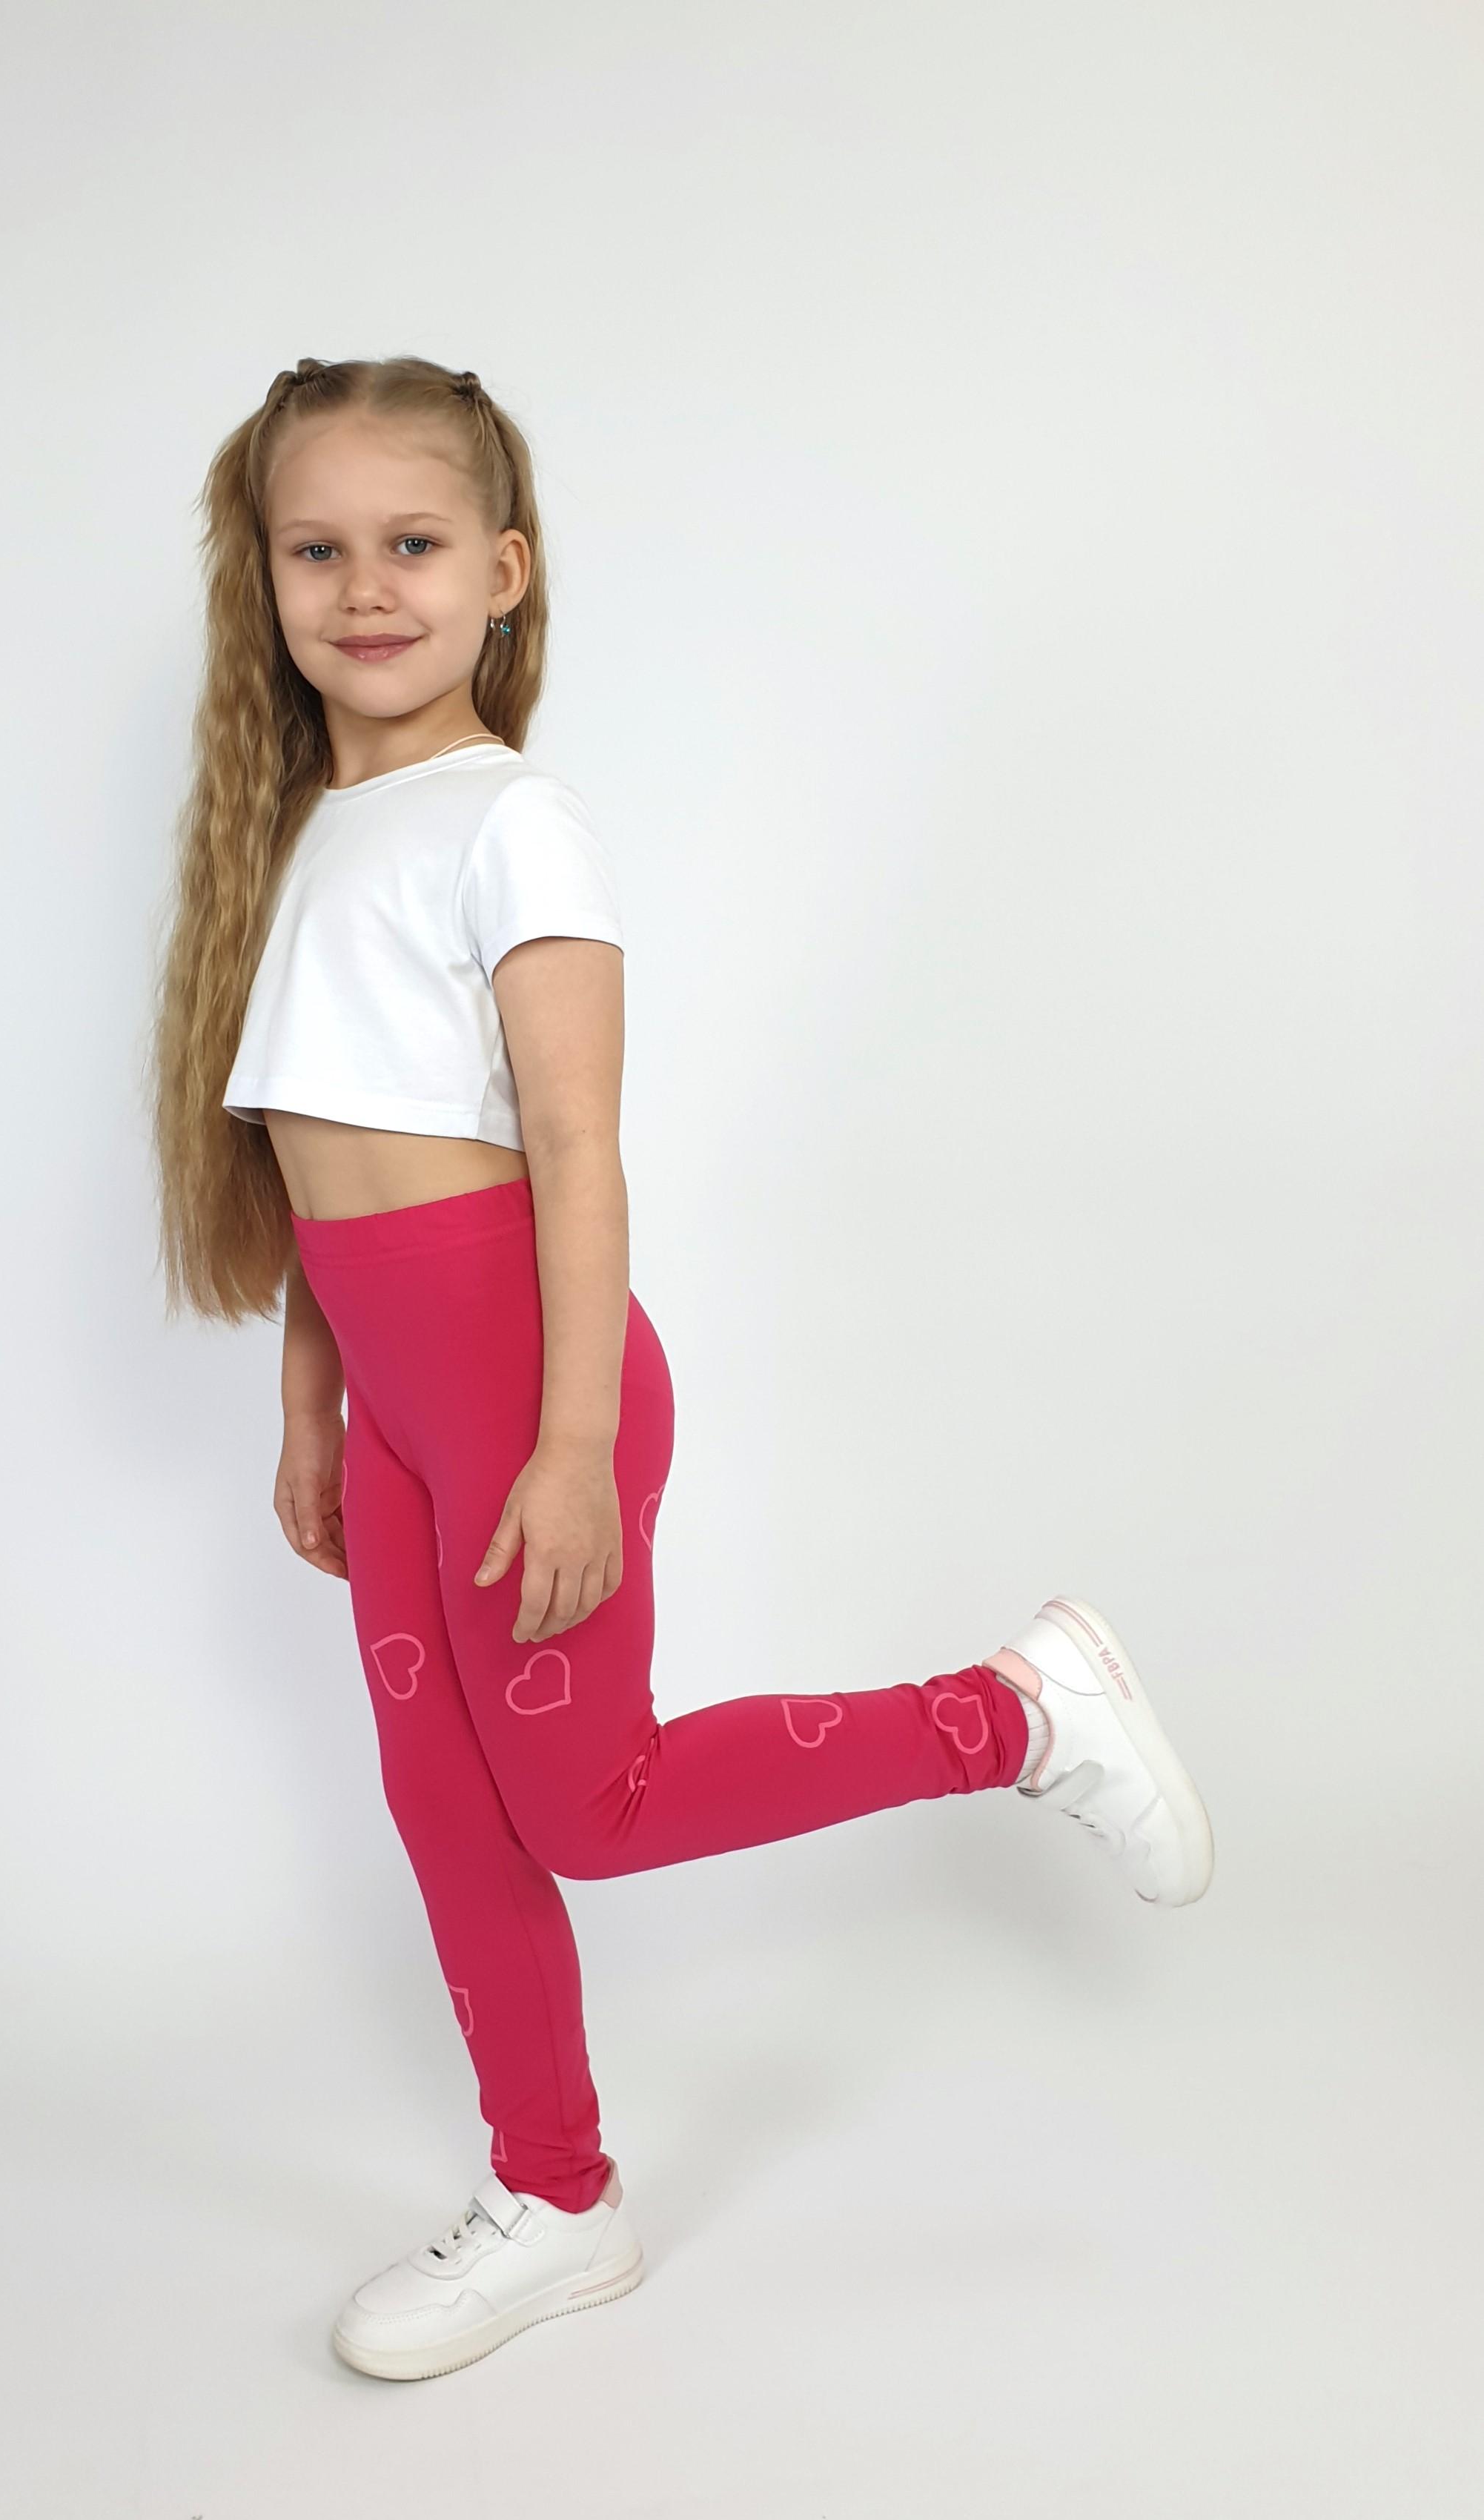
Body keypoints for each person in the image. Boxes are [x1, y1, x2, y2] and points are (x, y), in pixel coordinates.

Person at [150, 354, 1215, 2385]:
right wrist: (312, 1410)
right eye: (317, 548)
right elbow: (320, 1160)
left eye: (412, 543)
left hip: (524, 1387)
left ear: (504, 572)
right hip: (398, 1412)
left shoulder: (512, 821)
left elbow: (573, 1148)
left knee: (594, 1805)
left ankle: (1015, 1715)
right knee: (450, 1815)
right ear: (262, 575)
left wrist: (565, 1445)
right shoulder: (303, 839)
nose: (364, 588)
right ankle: (558, 2199)